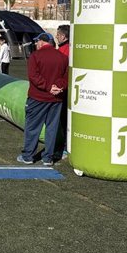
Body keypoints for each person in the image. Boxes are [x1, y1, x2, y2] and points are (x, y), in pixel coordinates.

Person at [17, 32, 68, 166]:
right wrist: (59, 88)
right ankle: (48, 158)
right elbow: (66, 78)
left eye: (37, 41)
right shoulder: (63, 58)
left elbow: (33, 76)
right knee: (52, 129)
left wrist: (48, 87)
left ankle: (28, 156)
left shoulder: (35, 56)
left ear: (41, 42)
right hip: (56, 99)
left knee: (33, 127)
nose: (36, 44)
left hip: (38, 98)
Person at [55, 24, 70, 160]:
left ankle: (64, 147)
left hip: (63, 92)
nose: (56, 37)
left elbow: (60, 72)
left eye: (58, 35)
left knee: (63, 120)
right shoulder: (66, 49)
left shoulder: (64, 51)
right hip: (66, 90)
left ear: (63, 36)